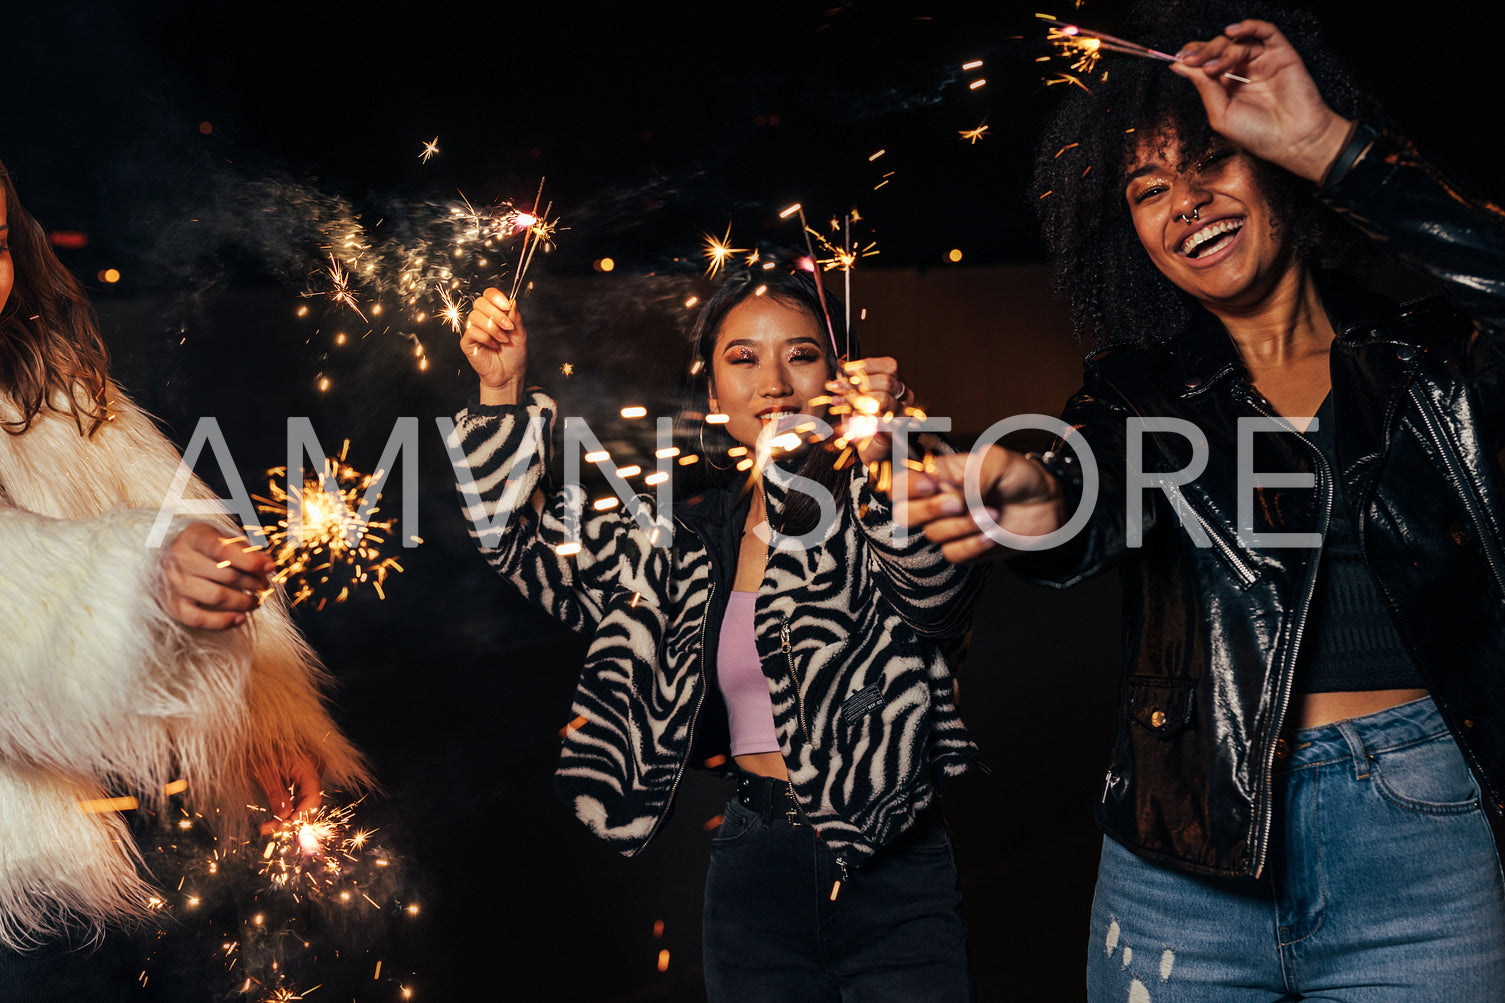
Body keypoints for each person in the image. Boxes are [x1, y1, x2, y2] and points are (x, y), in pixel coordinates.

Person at [899, 2, 1505, 999]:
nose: (1183, 202)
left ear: (1270, 166)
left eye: (1208, 163)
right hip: (1178, 865)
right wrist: (1020, 488)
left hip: (1419, 843)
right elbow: (1083, 471)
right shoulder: (1139, 391)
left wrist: (1323, 144)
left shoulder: (1436, 355)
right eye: (1146, 189)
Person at [454, 265, 987, 1001]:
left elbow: (937, 600)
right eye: (742, 358)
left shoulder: (890, 497)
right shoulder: (682, 536)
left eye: (802, 355)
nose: (773, 382)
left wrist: (888, 454)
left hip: (892, 861)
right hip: (751, 865)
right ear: (711, 392)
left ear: (841, 379)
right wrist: (501, 389)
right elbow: (521, 540)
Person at [0, 159, 368, 997]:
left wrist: (266, 726)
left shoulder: (63, 398)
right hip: (18, 899)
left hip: (153, 863)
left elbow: (188, 530)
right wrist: (139, 582)